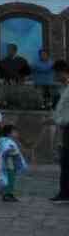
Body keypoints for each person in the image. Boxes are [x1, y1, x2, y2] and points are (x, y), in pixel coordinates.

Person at [0, 123, 27, 202]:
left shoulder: (3, 140)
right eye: (15, 132)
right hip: (10, 164)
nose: (17, 134)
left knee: (8, 179)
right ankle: (8, 195)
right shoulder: (8, 142)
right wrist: (14, 152)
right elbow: (8, 151)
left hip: (7, 164)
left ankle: (7, 193)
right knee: (10, 179)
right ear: (9, 133)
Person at [52, 60, 69, 203]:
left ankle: (65, 194)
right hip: (65, 128)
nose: (55, 76)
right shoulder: (64, 88)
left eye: (57, 73)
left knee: (66, 162)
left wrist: (58, 121)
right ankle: (64, 193)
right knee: (65, 162)